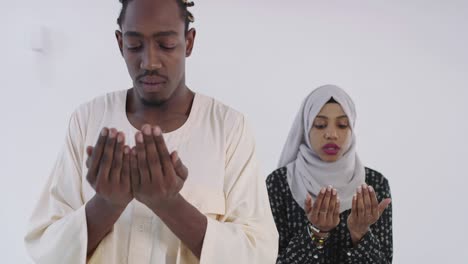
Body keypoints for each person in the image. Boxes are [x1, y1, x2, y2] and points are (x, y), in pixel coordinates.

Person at [24, 0, 278, 263]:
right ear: (120, 43)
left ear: (188, 42)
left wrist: (170, 205)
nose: (149, 62)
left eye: (165, 45)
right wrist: (107, 205)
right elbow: (45, 246)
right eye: (134, 45)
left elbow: (258, 254)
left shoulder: (229, 128)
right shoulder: (88, 120)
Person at [266, 85, 392, 263]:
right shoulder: (280, 182)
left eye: (342, 125)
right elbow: (268, 259)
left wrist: (360, 233)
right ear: (306, 127)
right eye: (320, 125)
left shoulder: (374, 184)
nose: (331, 134)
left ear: (352, 128)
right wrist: (316, 233)